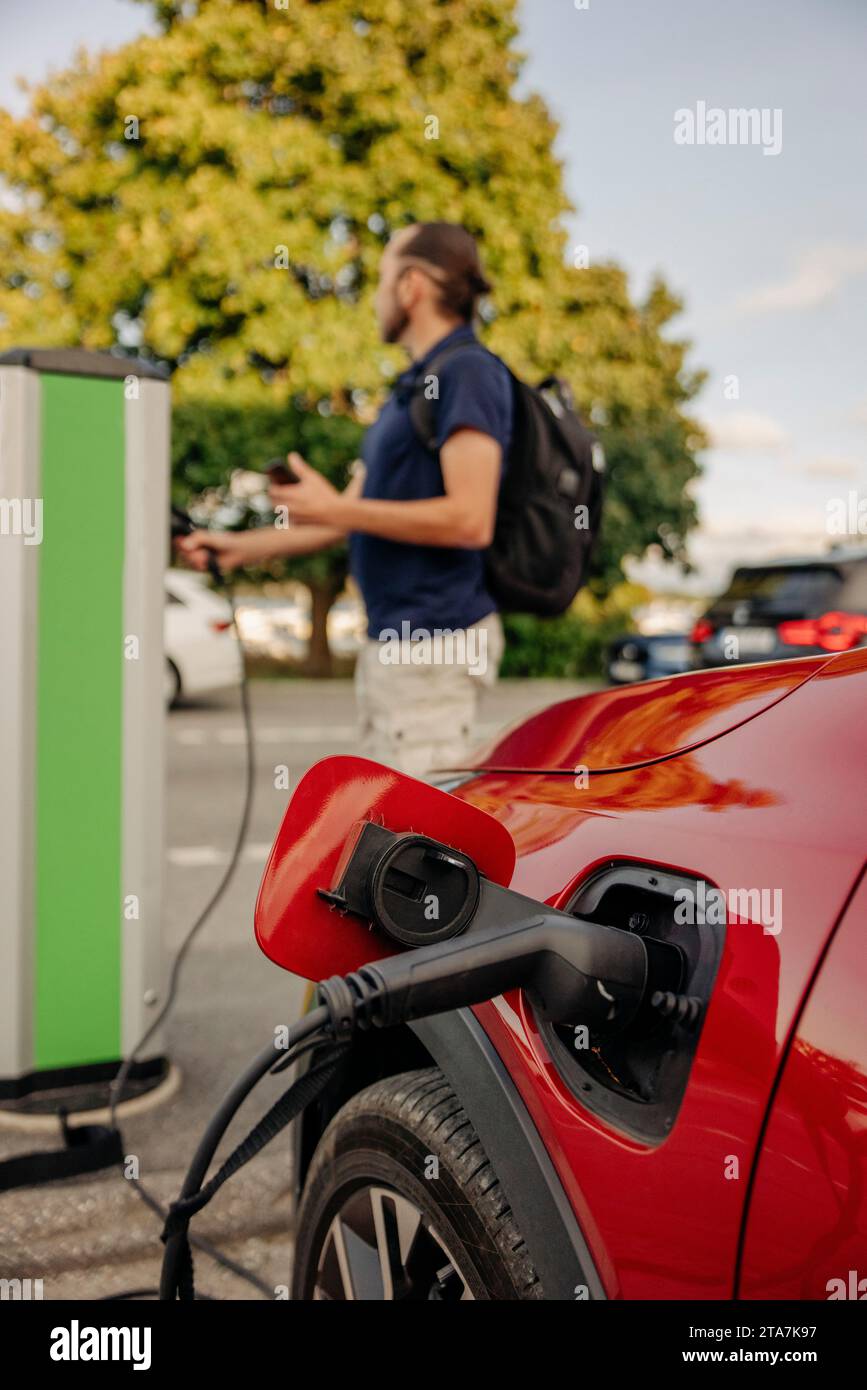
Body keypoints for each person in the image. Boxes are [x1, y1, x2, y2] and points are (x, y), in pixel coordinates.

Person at [179, 221, 512, 776]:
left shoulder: (468, 372)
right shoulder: (411, 390)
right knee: (397, 839)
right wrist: (238, 548)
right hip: (402, 647)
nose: (376, 296)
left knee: (418, 848)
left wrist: (336, 508)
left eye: (382, 278)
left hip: (436, 644)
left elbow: (471, 519)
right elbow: (349, 518)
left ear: (411, 286)